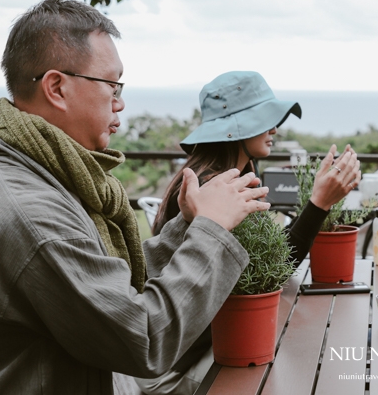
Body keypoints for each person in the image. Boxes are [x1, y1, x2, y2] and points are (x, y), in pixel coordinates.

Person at [0, 0, 270, 395]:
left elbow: (110, 292)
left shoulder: (33, 171)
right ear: (57, 87)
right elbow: (143, 338)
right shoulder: (33, 214)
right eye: (112, 84)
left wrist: (186, 226)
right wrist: (210, 231)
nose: (120, 102)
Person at [137, 70, 362, 395]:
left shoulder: (226, 176)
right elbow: (270, 274)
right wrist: (318, 203)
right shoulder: (212, 187)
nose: (274, 128)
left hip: (209, 340)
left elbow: (264, 268)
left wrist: (319, 203)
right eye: (264, 119)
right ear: (233, 129)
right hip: (185, 362)